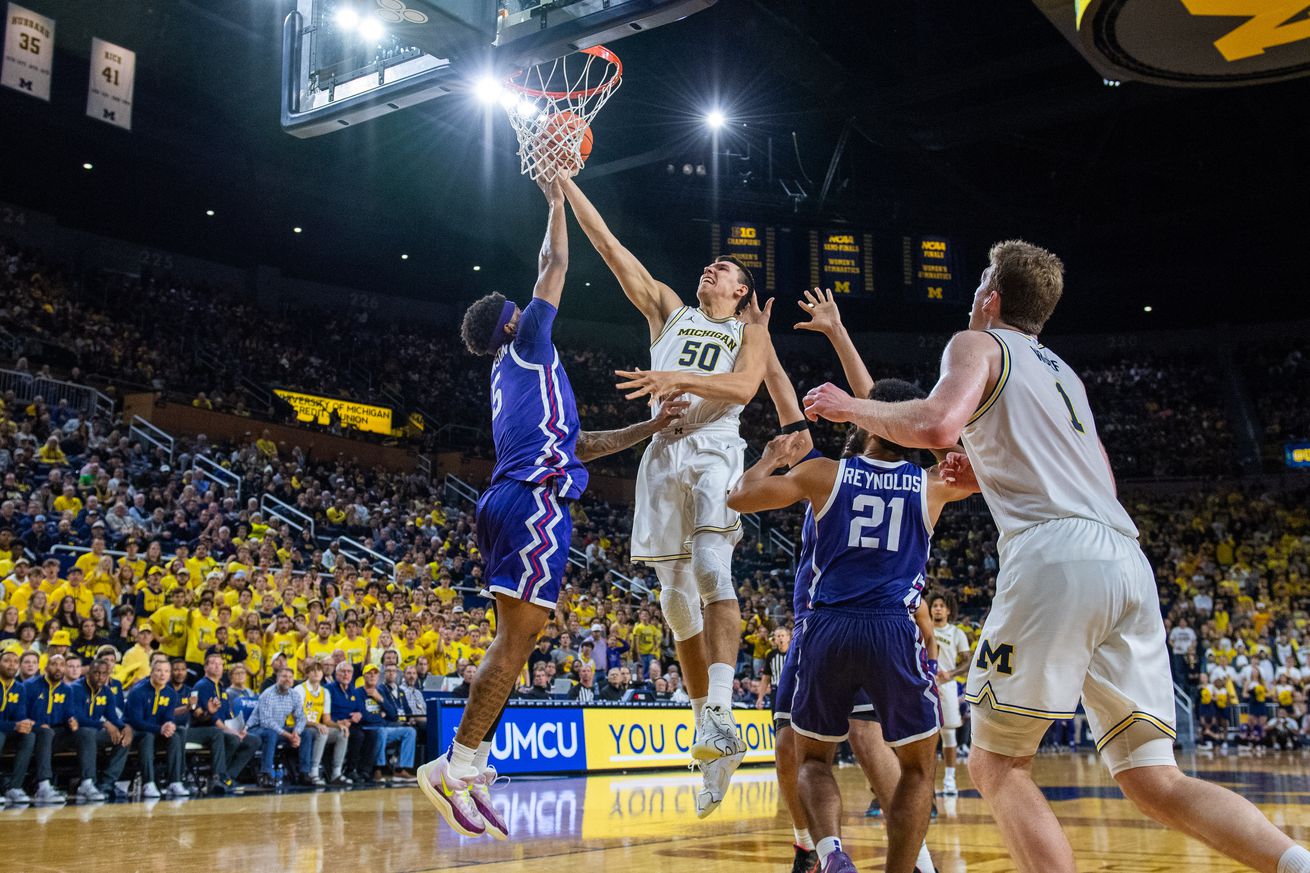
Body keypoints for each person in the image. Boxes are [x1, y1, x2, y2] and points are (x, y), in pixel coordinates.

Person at [802, 239, 1310, 873]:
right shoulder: (1064, 373)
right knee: (1155, 779)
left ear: (990, 298)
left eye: (980, 279)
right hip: (1124, 556)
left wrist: (850, 406)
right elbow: (1097, 479)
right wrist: (989, 470)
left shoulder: (976, 343)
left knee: (995, 764)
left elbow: (935, 424)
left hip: (1055, 557)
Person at [421, 177, 680, 840]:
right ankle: (455, 762)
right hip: (533, 505)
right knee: (516, 638)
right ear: (512, 319)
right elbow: (555, 263)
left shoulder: (512, 374)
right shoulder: (529, 340)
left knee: (526, 635)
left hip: (518, 497)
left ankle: (468, 760)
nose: (530, 303)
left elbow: (580, 444)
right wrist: (556, 198)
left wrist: (648, 430)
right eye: (521, 305)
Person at [564, 176, 774, 815]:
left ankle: (724, 711)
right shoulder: (668, 308)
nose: (714, 267)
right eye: (712, 264)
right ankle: (709, 732)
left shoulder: (750, 329)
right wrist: (565, 183)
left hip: (716, 450)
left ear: (740, 293)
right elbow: (608, 246)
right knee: (676, 603)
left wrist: (673, 376)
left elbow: (741, 391)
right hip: (663, 452)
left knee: (713, 569)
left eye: (728, 269)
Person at [731, 375, 973, 873]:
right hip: (892, 628)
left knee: (814, 758)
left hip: (826, 628)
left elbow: (740, 498)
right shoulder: (932, 485)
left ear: (864, 420)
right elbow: (995, 471)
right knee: (917, 767)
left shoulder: (824, 473)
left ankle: (831, 853)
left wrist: (770, 459)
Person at [190, 652, 259, 793]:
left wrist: (241, 729)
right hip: (206, 729)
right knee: (233, 739)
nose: (217, 666)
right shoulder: (202, 686)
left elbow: (229, 715)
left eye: (220, 664)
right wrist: (233, 732)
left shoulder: (221, 688)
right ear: (205, 667)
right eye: (213, 663)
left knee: (254, 741)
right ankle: (218, 776)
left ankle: (228, 776)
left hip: (223, 729)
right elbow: (213, 719)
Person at [124, 657, 188, 799]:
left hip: (157, 731)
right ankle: (149, 783)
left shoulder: (171, 693)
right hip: (135, 732)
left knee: (175, 736)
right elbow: (136, 721)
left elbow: (168, 715)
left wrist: (170, 724)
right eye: (159, 670)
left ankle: (175, 782)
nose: (162, 674)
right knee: (147, 737)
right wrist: (160, 729)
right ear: (151, 672)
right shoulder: (138, 691)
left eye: (166, 671)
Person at [69, 657, 131, 801]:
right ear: (88, 673)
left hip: (94, 734)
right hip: (73, 734)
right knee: (88, 732)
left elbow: (113, 717)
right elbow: (77, 717)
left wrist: (124, 727)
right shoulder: (74, 689)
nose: (100, 677)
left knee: (125, 736)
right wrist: (103, 724)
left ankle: (107, 783)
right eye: (96, 673)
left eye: (104, 674)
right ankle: (87, 782)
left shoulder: (107, 692)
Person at [928, 591, 971, 795]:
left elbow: (968, 661)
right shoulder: (921, 629)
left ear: (948, 610)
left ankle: (950, 780)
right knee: (925, 736)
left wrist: (950, 673)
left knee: (948, 734)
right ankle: (927, 783)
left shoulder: (956, 633)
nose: (937, 608)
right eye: (934, 605)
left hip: (946, 686)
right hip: (924, 686)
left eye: (941, 605)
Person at [245, 666, 304, 789]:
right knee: (271, 733)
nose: (287, 679)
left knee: (307, 733)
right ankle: (265, 774)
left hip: (278, 730)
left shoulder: (295, 695)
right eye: (284, 676)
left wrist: (296, 733)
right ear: (277, 678)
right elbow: (266, 722)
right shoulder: (268, 694)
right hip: (257, 729)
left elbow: (301, 717)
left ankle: (304, 773)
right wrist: (288, 735)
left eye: (290, 677)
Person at [1, 645, 37, 804]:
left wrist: (24, 723)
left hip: (8, 729)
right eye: (7, 661)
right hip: (3, 730)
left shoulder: (19, 688)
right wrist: (14, 726)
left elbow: (20, 715)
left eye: (15, 662)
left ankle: (14, 787)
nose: (11, 665)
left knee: (29, 736)